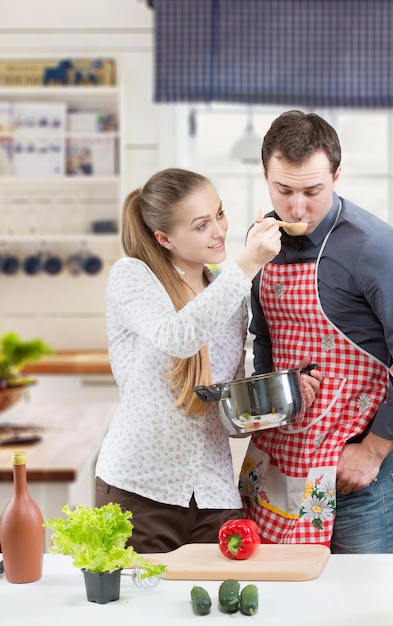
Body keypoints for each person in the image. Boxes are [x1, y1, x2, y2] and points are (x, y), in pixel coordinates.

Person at [239, 110, 393, 553]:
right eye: (284, 190)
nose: (297, 208)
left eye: (313, 191)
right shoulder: (261, 243)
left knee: (364, 612)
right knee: (280, 608)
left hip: (354, 474)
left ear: (337, 175)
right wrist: (278, 390)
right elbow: (266, 340)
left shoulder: (374, 247)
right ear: (265, 175)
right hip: (280, 462)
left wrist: (372, 452)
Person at [94, 167, 321, 553]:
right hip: (139, 490)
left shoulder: (228, 298)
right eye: (201, 225)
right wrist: (247, 265)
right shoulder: (132, 277)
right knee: (141, 611)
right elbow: (177, 337)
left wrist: (283, 394)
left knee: (223, 607)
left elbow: (228, 414)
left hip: (215, 496)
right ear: (164, 238)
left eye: (219, 214)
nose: (219, 231)